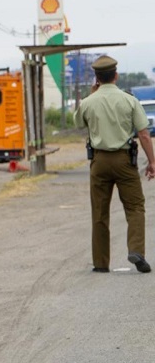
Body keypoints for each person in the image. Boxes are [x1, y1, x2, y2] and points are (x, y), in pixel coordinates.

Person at [75, 55, 155, 273]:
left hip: (99, 161)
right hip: (124, 160)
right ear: (116, 75)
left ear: (96, 78)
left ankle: (101, 263)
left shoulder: (89, 102)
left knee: (99, 211)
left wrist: (91, 96)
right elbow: (144, 134)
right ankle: (136, 250)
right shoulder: (129, 100)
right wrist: (152, 161)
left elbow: (78, 122)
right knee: (135, 206)